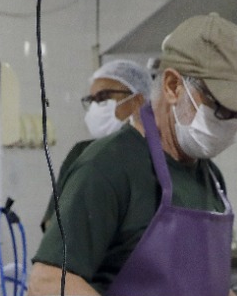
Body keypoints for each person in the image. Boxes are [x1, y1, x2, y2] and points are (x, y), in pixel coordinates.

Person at [27, 13, 237, 296]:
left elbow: (209, 288)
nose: (230, 122)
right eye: (222, 107)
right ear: (173, 86)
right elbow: (47, 280)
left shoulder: (211, 177)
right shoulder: (108, 167)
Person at [40, 60, 153, 231]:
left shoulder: (159, 155)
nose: (95, 106)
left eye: (103, 97)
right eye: (91, 99)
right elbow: (53, 226)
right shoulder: (83, 153)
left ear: (137, 101)